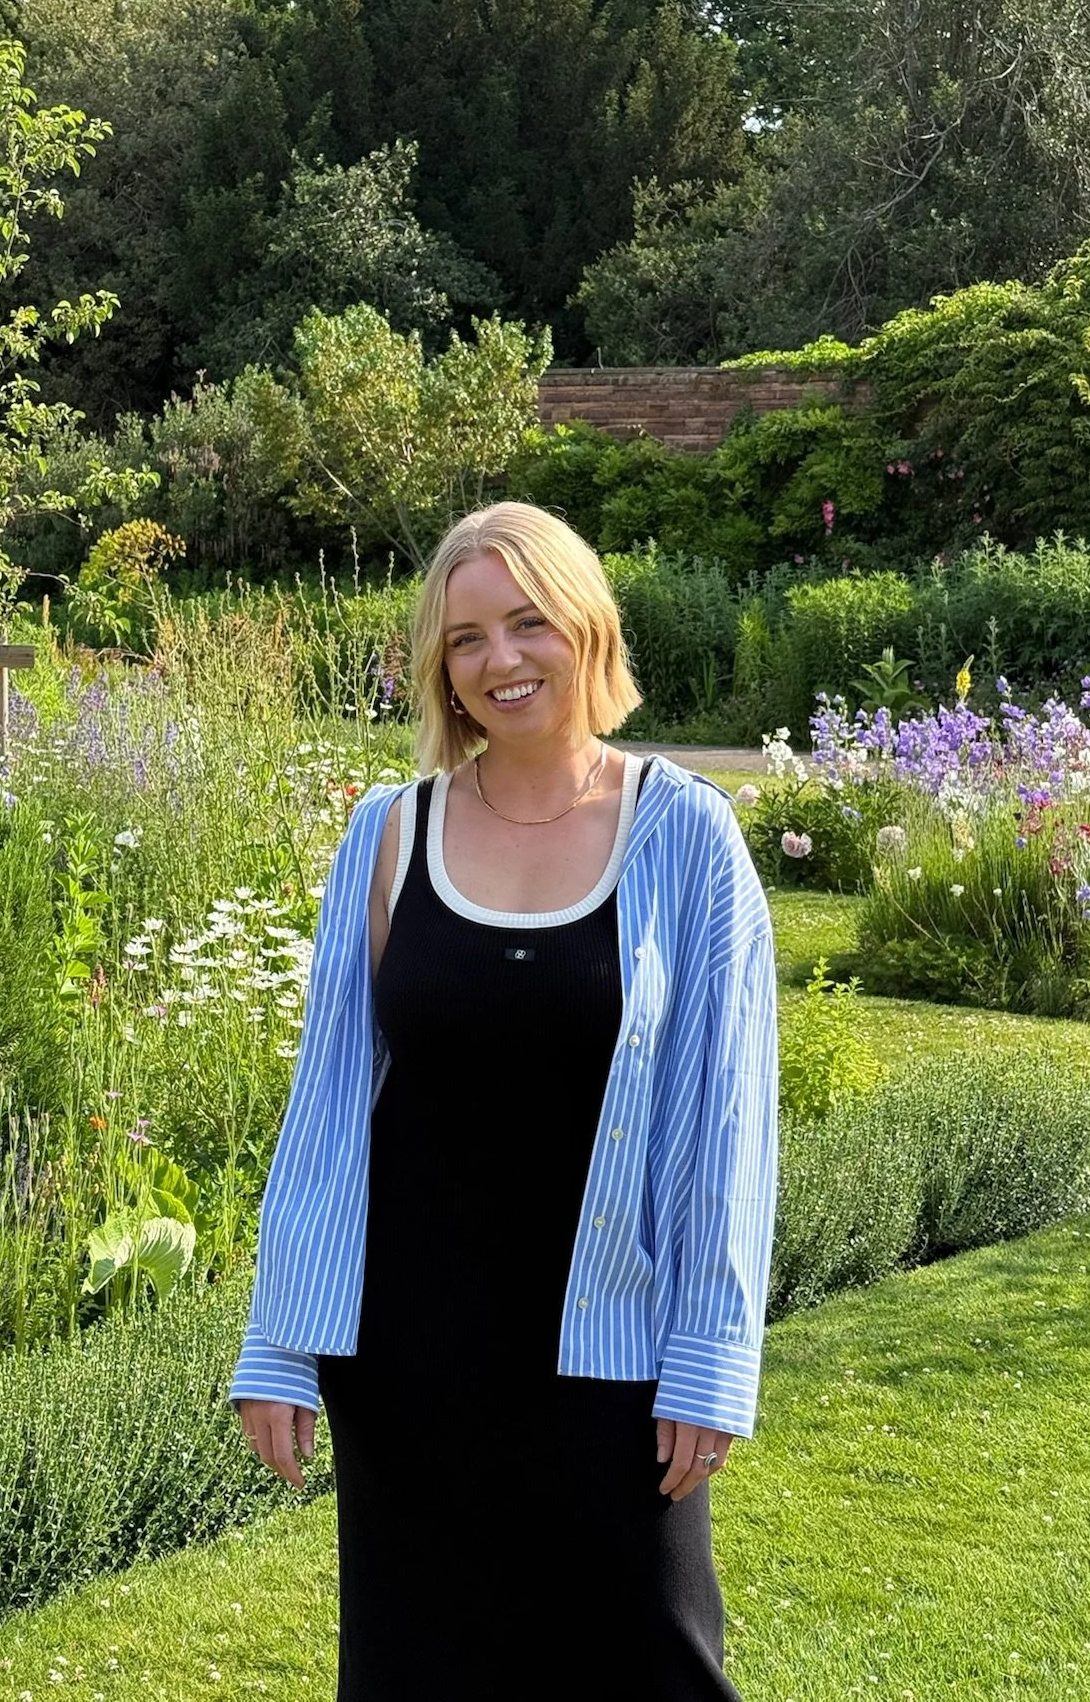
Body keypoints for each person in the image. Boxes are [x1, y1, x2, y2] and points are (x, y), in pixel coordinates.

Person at [232, 501, 779, 1700]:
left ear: (587, 625)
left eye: (528, 622)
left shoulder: (685, 835)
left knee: (657, 1661)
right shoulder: (388, 834)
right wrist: (278, 1343)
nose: (501, 660)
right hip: (409, 1355)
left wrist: (711, 1359)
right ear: (441, 663)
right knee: (422, 1668)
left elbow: (727, 1120)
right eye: (467, 636)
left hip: (611, 1348)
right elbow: (328, 1099)